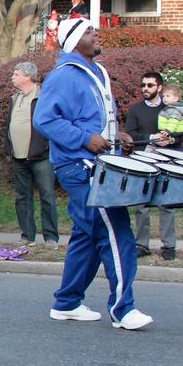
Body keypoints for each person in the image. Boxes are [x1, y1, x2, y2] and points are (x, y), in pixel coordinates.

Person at [33, 17, 153, 330]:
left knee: (88, 236)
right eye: (88, 31)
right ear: (73, 41)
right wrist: (85, 139)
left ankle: (67, 302)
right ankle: (123, 309)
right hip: (79, 166)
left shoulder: (96, 72)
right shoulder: (63, 76)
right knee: (115, 230)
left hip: (97, 163)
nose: (96, 34)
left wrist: (119, 135)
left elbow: (98, 119)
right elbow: (44, 120)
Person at [125, 71, 179, 260]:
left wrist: (171, 139)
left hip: (166, 161)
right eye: (143, 85)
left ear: (160, 87)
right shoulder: (136, 110)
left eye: (149, 85)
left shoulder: (171, 109)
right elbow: (130, 135)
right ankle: (142, 244)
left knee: (167, 204)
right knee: (142, 205)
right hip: (143, 161)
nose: (145, 89)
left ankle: (169, 245)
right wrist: (150, 138)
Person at [5, 61, 59, 248]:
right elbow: (10, 124)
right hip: (18, 156)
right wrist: (8, 148)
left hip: (40, 155)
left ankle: (51, 237)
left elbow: (52, 123)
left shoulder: (42, 96)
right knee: (22, 197)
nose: (13, 76)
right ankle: (27, 235)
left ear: (28, 77)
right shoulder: (15, 97)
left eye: (16, 73)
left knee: (47, 196)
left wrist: (45, 145)